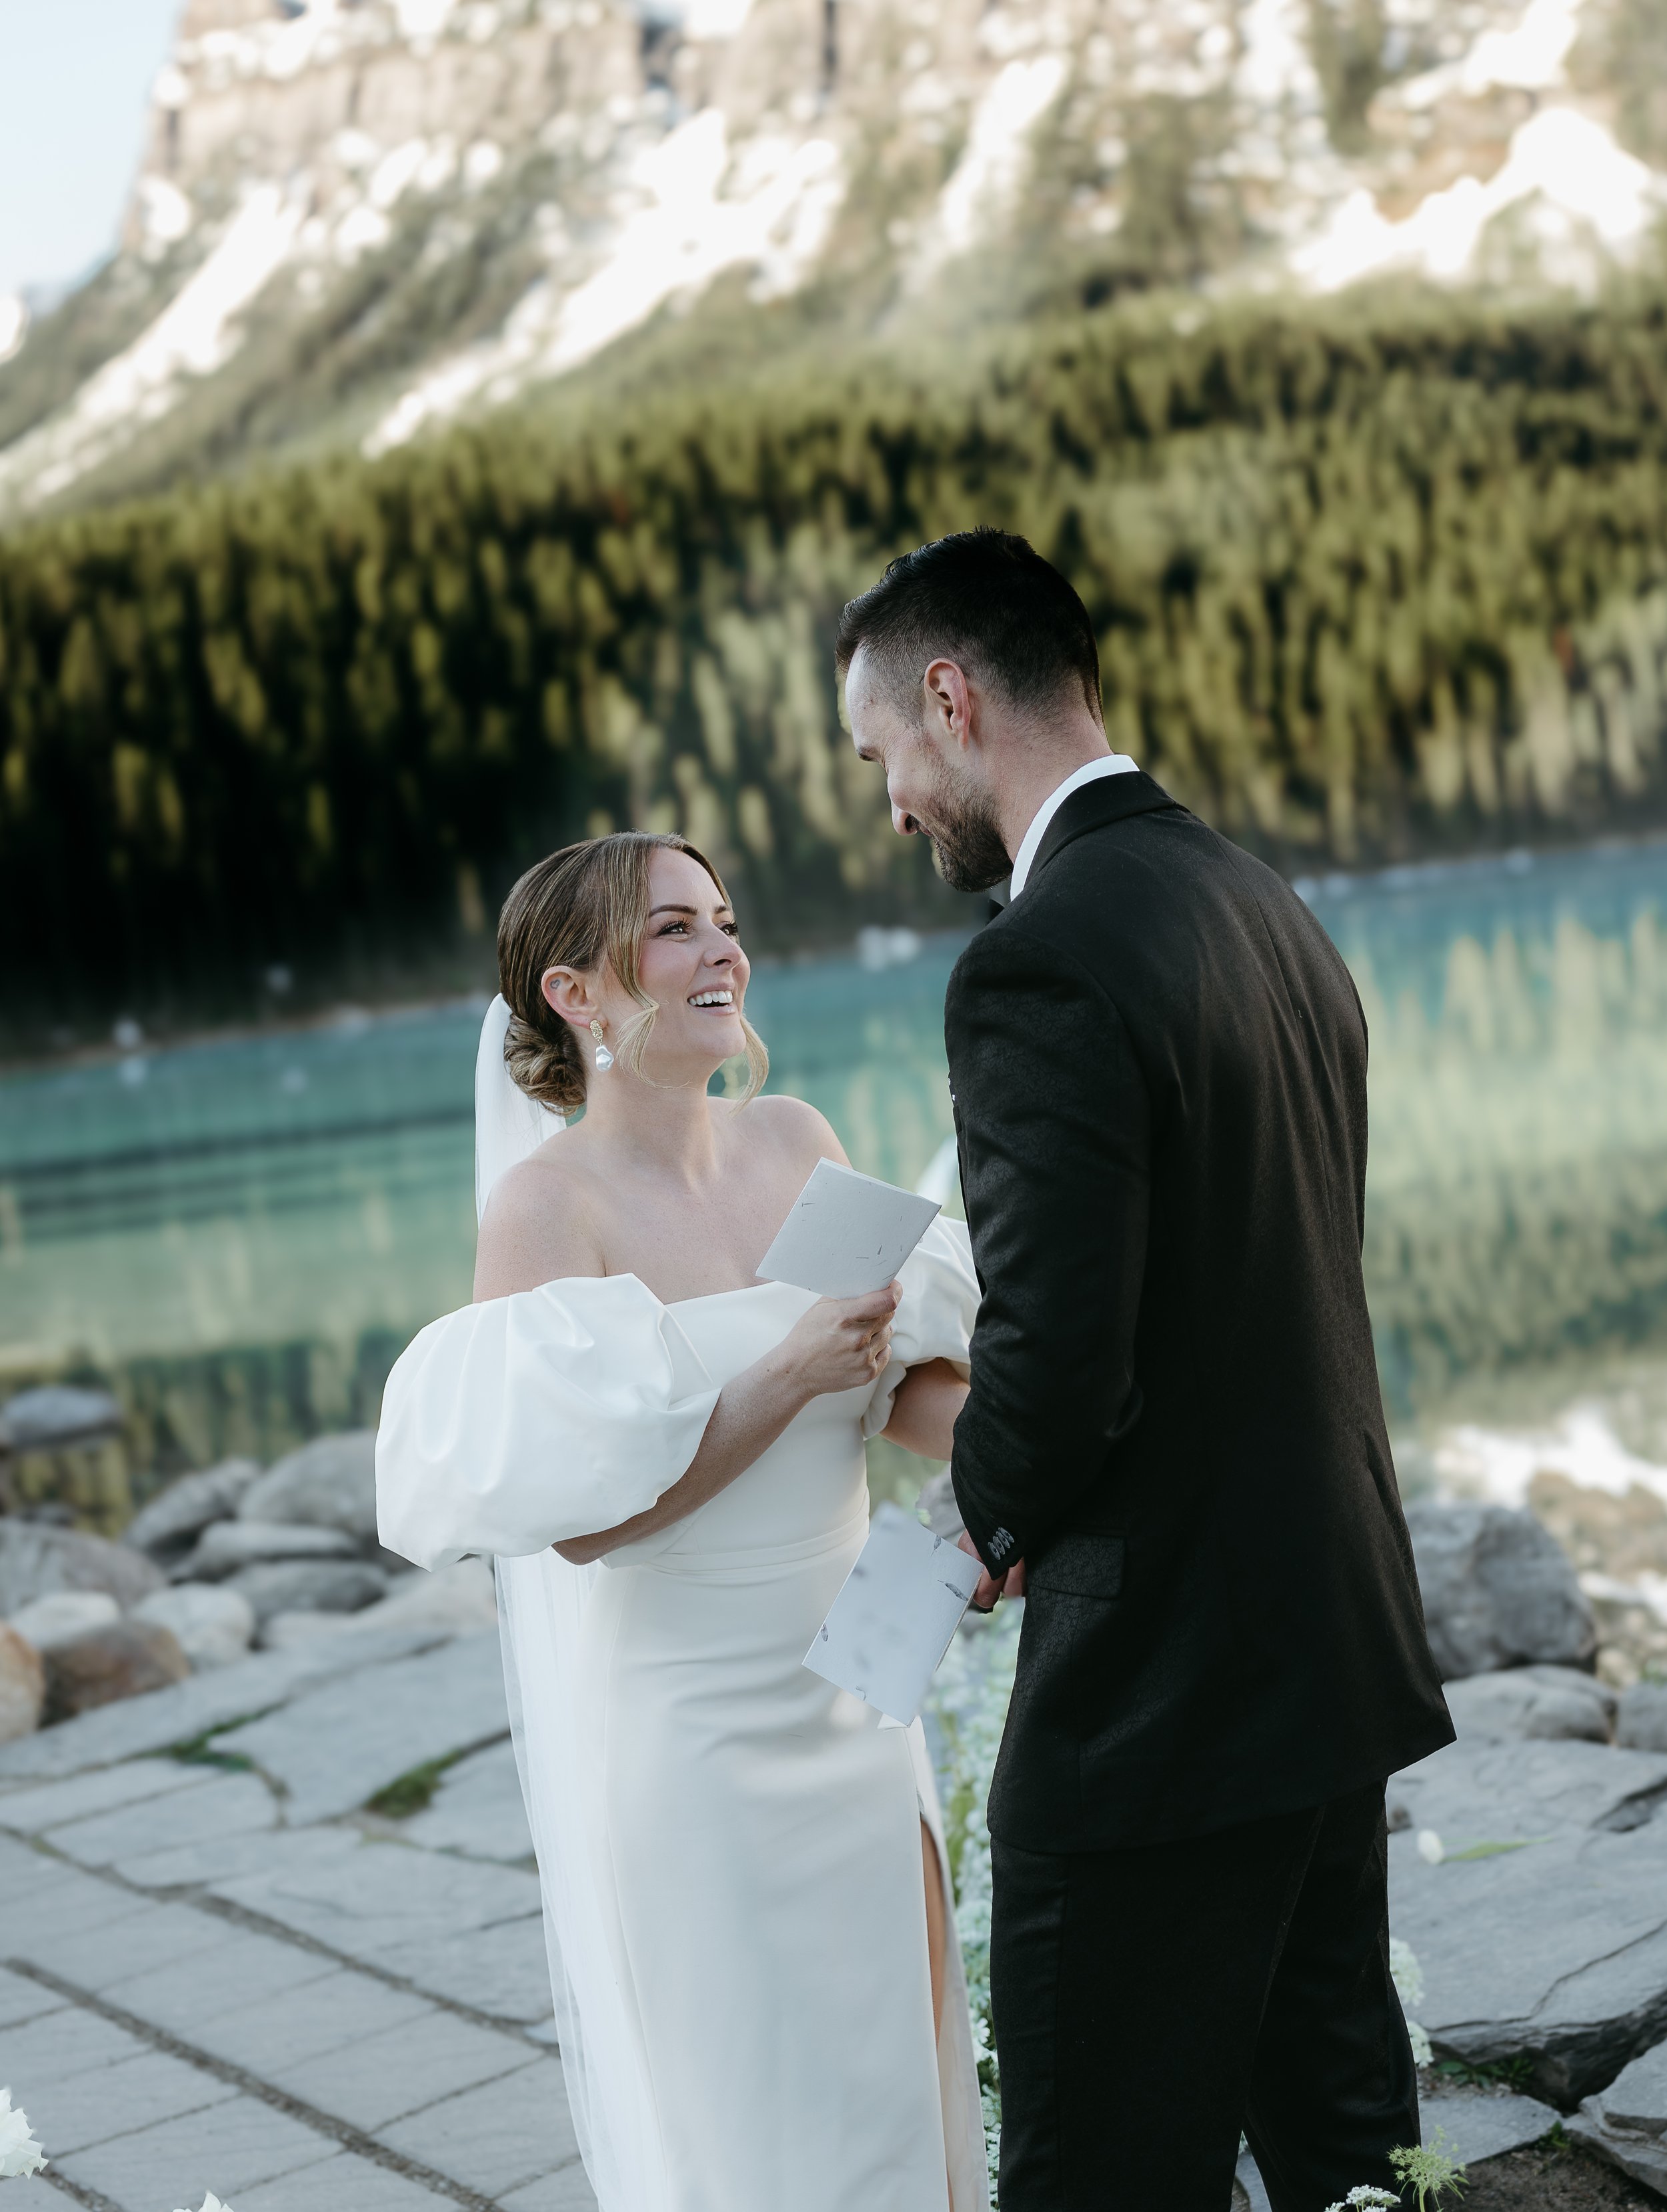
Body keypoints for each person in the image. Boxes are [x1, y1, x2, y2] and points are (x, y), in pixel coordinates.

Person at [840, 529, 1455, 2212]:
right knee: (1345, 2141)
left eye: (881, 755)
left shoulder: (1034, 958)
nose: (890, 807)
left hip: (1160, 1687)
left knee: (1097, 2170)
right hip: (1321, 1634)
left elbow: (1060, 1355)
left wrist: (978, 1523)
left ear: (950, 700)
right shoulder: (1260, 903)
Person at [375, 829, 990, 2212]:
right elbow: (586, 1527)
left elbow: (888, 1383)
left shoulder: (795, 1141)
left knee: (899, 2084)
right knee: (762, 2126)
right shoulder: (548, 1210)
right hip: (691, 1738)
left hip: (855, 1701)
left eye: (723, 921)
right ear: (574, 993)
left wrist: (1040, 1470)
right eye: (672, 928)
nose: (722, 951)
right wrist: (783, 1374)